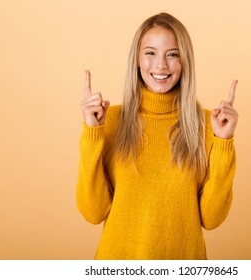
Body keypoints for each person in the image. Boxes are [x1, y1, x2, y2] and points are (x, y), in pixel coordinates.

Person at [77, 12, 238, 260]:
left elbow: (211, 218)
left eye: (172, 54)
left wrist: (224, 143)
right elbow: (92, 212)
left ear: (185, 62)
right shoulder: (108, 121)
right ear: (137, 60)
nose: (161, 65)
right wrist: (92, 133)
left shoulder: (209, 125)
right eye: (150, 53)